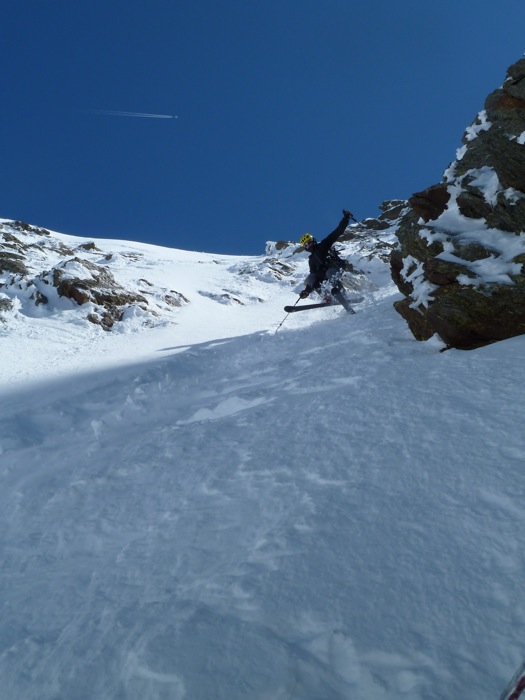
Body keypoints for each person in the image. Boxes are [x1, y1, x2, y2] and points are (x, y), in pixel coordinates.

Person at [298, 209, 355, 309]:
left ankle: (342, 294)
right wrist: (307, 291)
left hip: (335, 267)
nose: (309, 245)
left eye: (309, 242)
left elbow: (337, 232)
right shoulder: (311, 260)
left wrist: (345, 218)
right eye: (306, 245)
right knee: (310, 278)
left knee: (329, 273)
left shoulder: (323, 245)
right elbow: (313, 277)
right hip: (324, 275)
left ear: (313, 241)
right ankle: (326, 296)